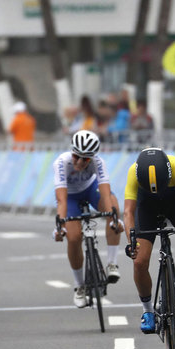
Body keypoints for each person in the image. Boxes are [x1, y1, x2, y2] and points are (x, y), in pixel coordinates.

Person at [123, 148, 175, 333]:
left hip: (174, 203)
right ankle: (147, 311)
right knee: (139, 261)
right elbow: (128, 211)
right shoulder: (133, 171)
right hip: (146, 208)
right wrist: (131, 240)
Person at [52, 130, 124, 307]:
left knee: (113, 207)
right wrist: (60, 225)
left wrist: (114, 218)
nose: (79, 162)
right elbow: (61, 199)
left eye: (86, 159)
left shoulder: (99, 162)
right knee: (74, 237)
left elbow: (106, 194)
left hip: (90, 189)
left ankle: (112, 264)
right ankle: (79, 286)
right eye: (77, 156)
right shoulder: (62, 162)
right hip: (70, 197)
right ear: (72, 152)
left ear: (92, 158)